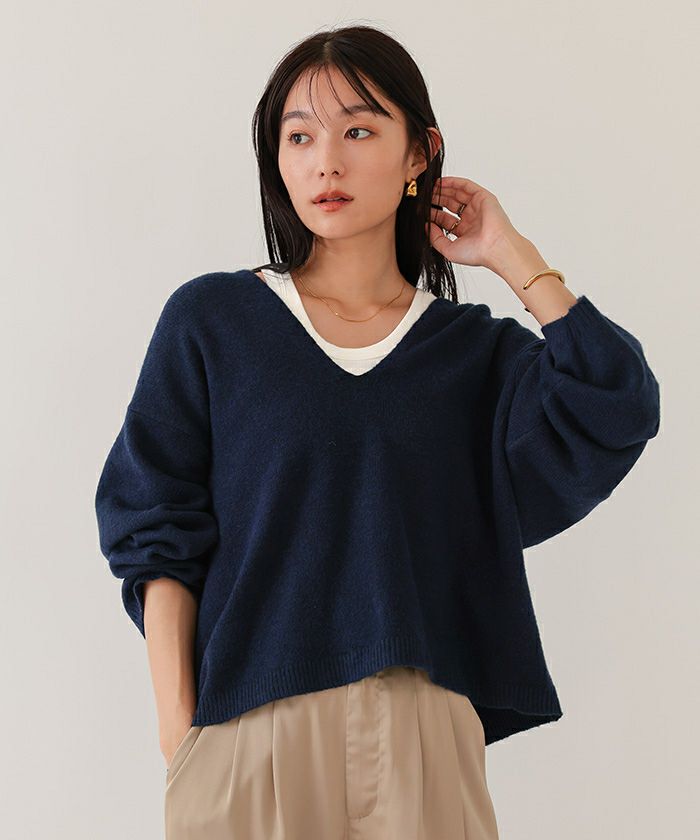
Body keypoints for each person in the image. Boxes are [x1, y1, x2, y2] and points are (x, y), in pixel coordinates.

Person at [94, 24, 661, 840]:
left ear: (418, 153)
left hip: (421, 735)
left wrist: (509, 253)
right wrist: (179, 732)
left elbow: (618, 400)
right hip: (248, 731)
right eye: (299, 137)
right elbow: (155, 527)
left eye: (358, 131)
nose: (326, 162)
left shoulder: (472, 355)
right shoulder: (214, 322)